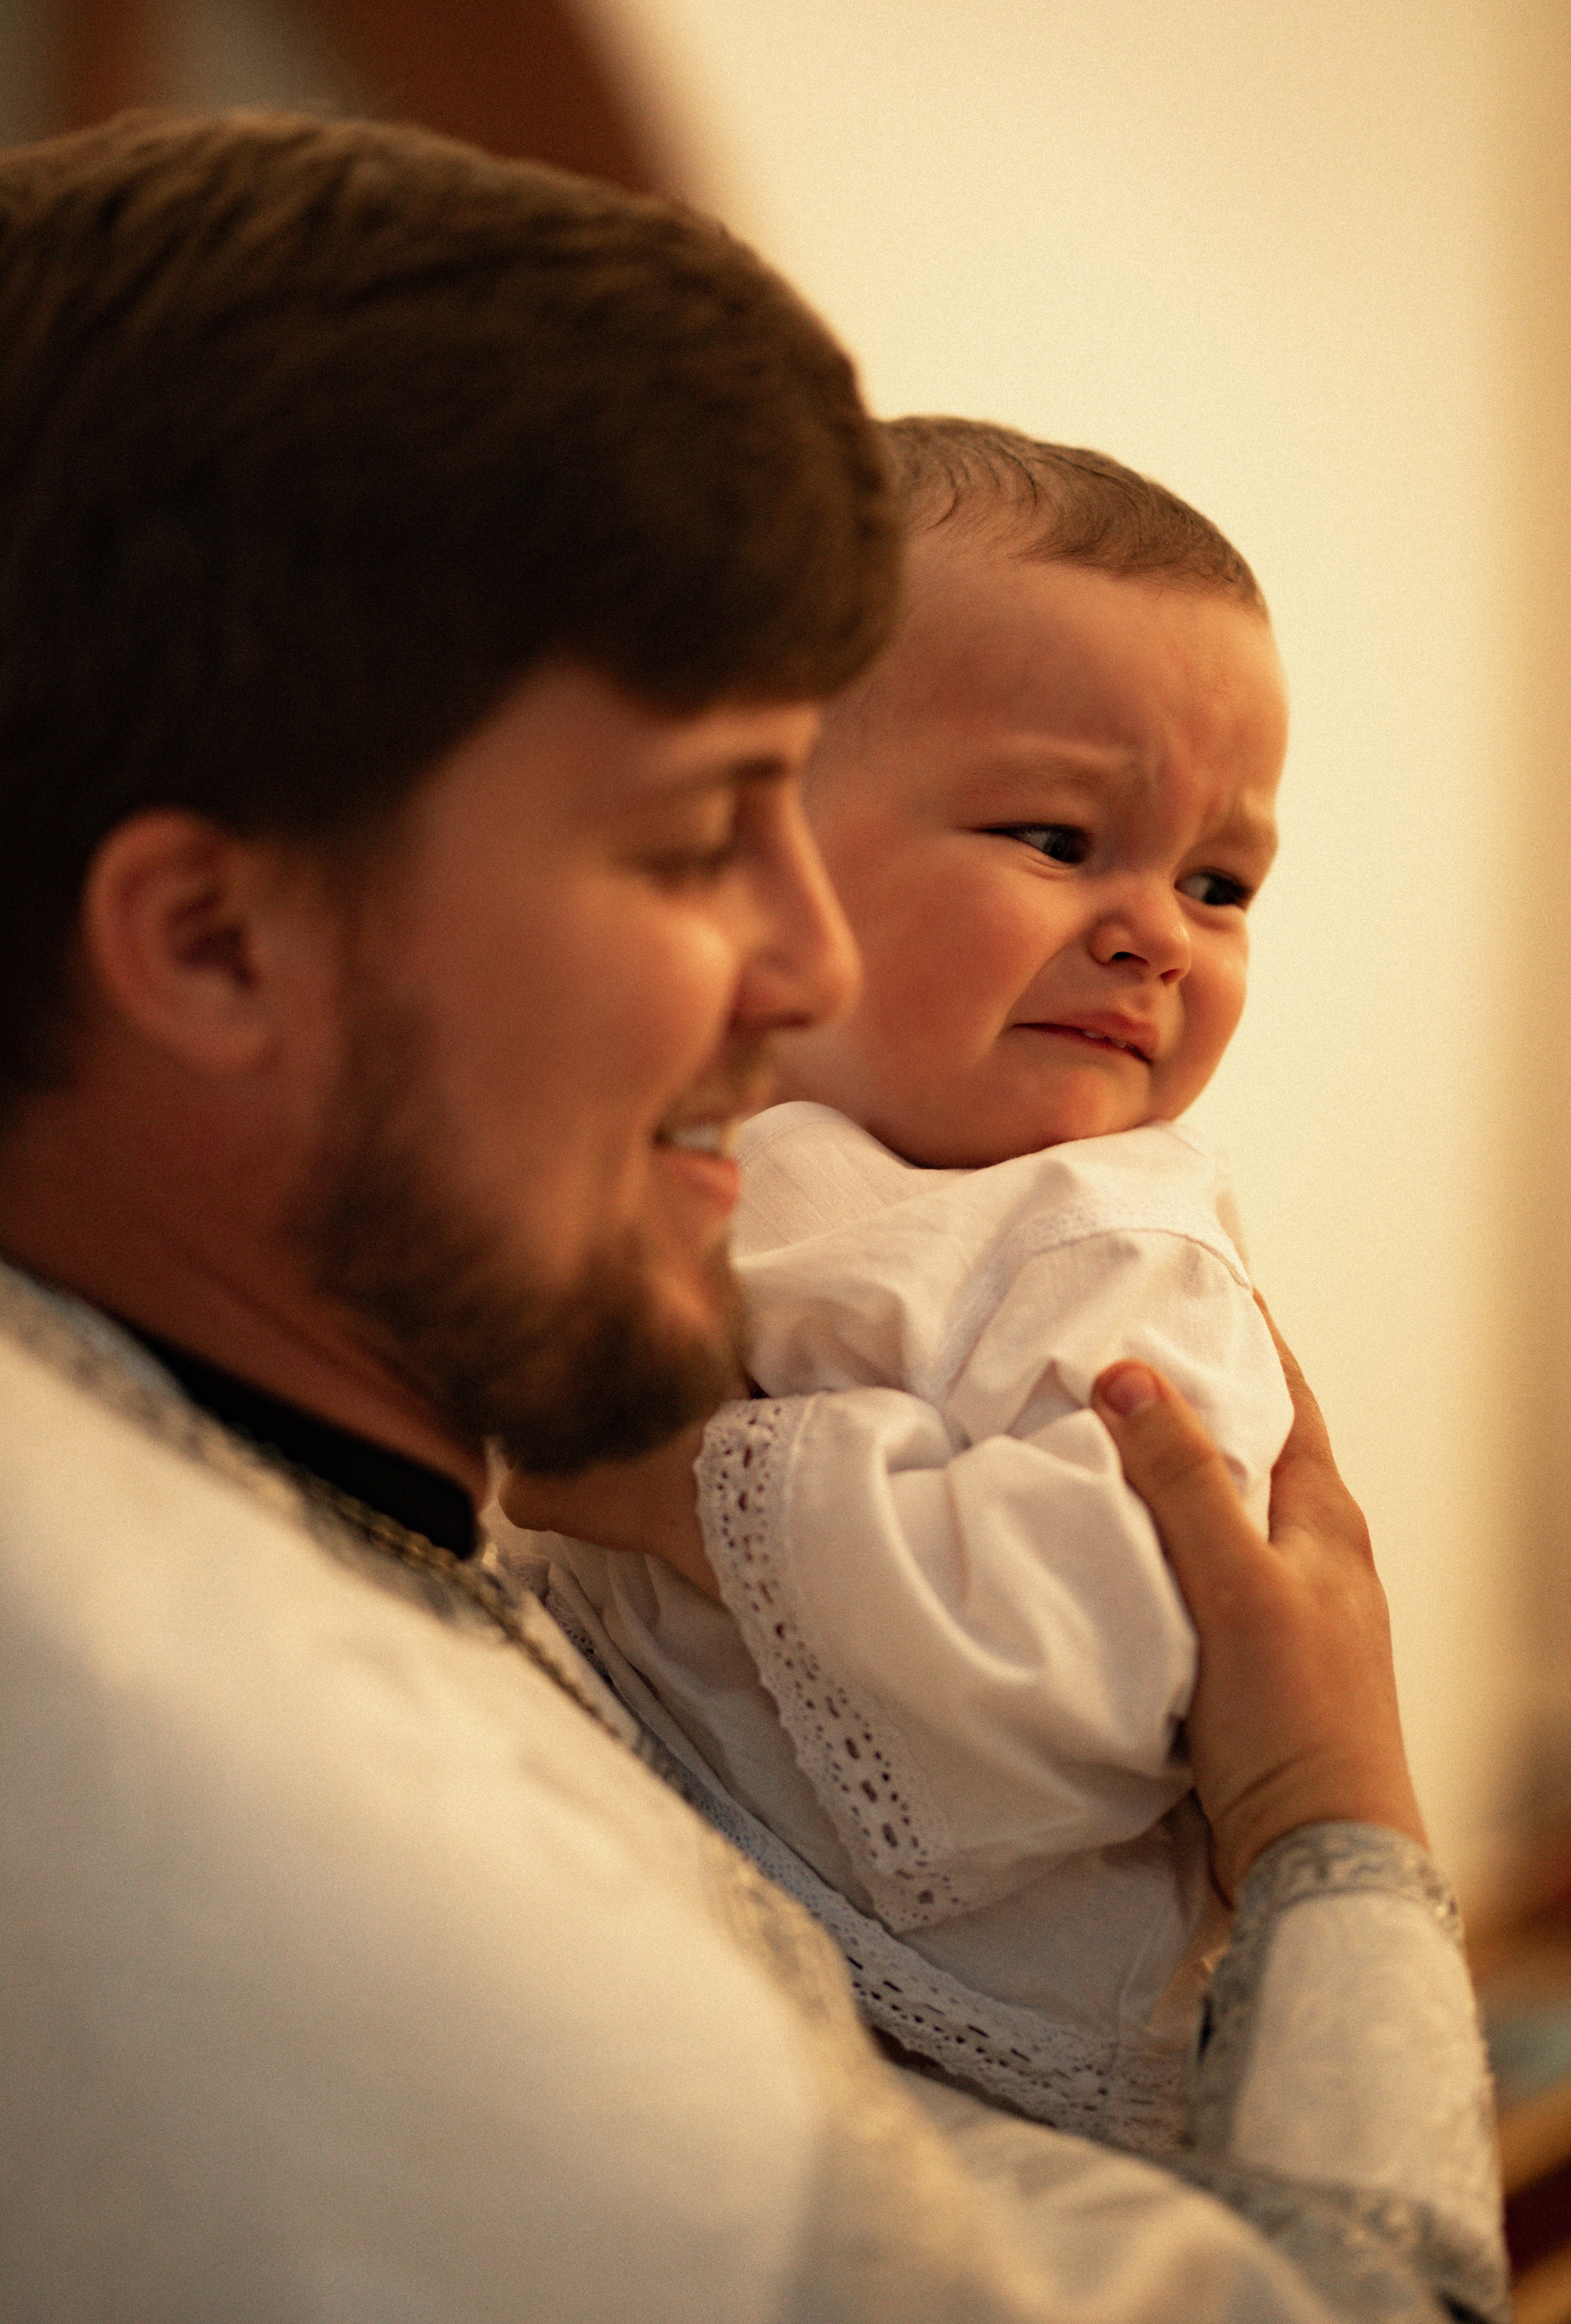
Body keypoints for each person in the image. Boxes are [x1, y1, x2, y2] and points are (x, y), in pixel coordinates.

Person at [0, 110, 1504, 2323]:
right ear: (213, 944)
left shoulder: (184, 1456)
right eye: (697, 838)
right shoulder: (279, 1836)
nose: (801, 969)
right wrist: (1337, 1838)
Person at [499, 419, 1293, 2156]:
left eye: (1221, 881)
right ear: (757, 836)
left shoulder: (1107, 1242)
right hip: (663, 1912)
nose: (1162, 930)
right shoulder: (708, 1139)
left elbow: (1107, 1659)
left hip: (991, 2050)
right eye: (1060, 837)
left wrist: (675, 1489)